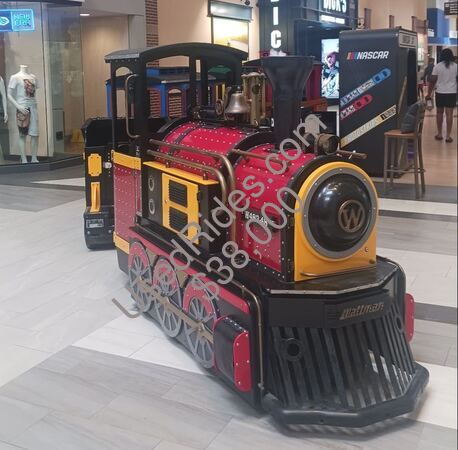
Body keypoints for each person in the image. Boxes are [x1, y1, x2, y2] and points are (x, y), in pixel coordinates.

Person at [427, 48, 457, 143]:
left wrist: (428, 93)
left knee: (439, 113)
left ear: (442, 56)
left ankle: (439, 134)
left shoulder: (437, 66)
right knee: (449, 114)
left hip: (440, 92)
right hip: (451, 92)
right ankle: (448, 136)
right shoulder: (456, 66)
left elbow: (432, 81)